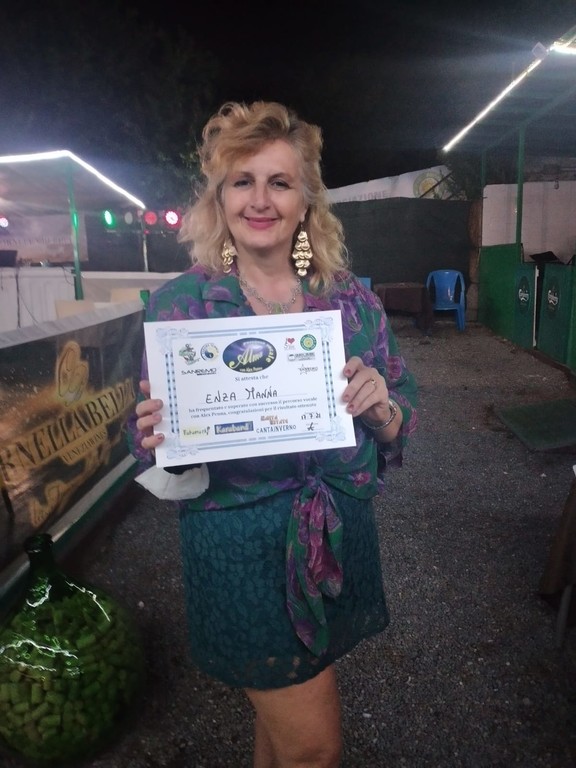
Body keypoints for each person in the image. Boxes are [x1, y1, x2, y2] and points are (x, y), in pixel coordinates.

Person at [129, 100, 418, 768]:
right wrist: (158, 439)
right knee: (313, 747)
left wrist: (381, 408)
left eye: (279, 182)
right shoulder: (182, 306)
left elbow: (401, 407)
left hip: (333, 536)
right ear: (220, 198)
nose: (260, 200)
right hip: (239, 551)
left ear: (305, 200)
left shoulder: (349, 301)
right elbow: (146, 450)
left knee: (282, 732)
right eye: (243, 181)